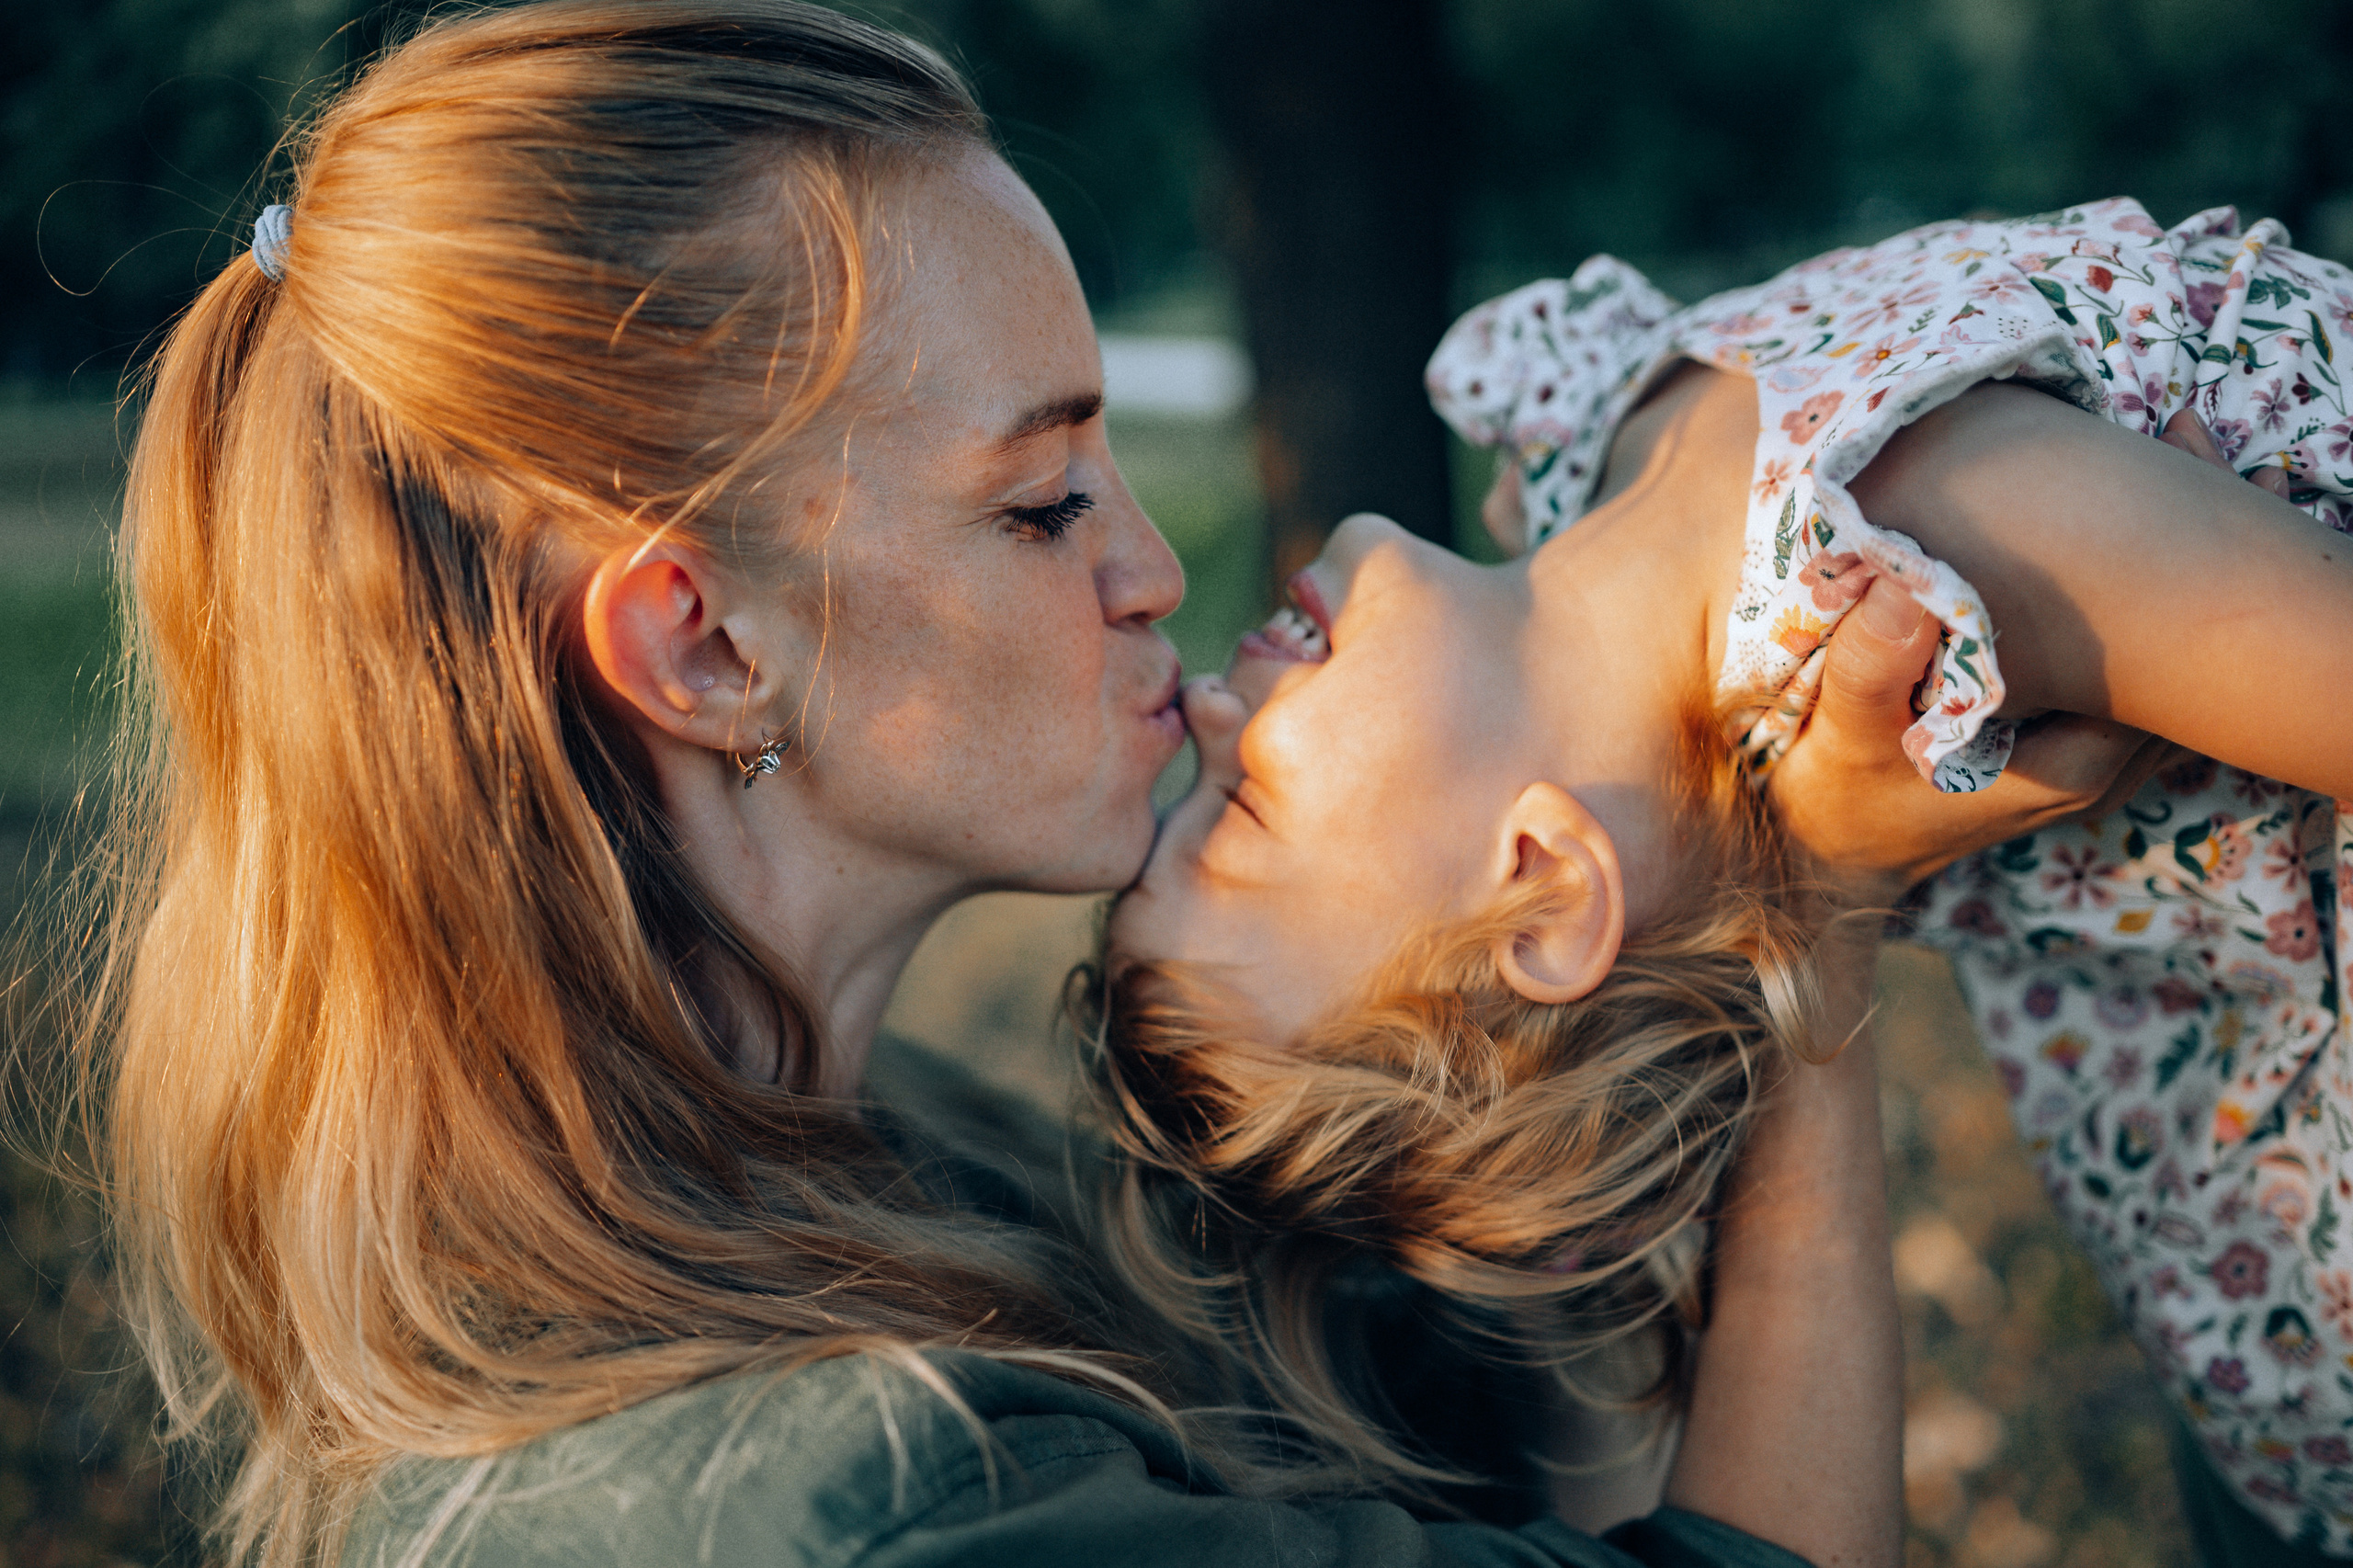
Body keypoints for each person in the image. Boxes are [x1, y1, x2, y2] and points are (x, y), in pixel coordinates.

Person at [63, 4, 2147, 1564]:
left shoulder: (854, 1151)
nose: (1153, 570)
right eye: (1043, 501)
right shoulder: (881, 1505)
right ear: (703, 645)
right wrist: (1802, 945)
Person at [1100, 198, 2353, 1559]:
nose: (1208, 708)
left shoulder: (1596, 440)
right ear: (1546, 892)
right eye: (1239, 805)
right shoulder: (1907, 592)